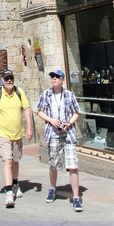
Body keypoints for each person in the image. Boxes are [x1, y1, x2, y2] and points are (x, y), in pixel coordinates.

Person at [37, 69, 83, 212]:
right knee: (53, 164)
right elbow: (39, 111)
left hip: (68, 134)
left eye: (57, 77)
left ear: (62, 79)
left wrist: (69, 123)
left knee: (73, 165)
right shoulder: (46, 94)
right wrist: (50, 120)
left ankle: (76, 197)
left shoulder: (69, 95)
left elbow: (76, 112)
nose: (54, 78)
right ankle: (52, 188)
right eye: (52, 77)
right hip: (53, 133)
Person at [0, 68, 33, 208]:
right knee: (7, 161)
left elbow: (26, 109)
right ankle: (9, 193)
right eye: (6, 78)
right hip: (2, 134)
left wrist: (29, 128)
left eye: (11, 78)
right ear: (2, 80)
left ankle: (15, 184)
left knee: (15, 161)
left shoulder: (19, 92)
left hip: (17, 134)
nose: (9, 80)